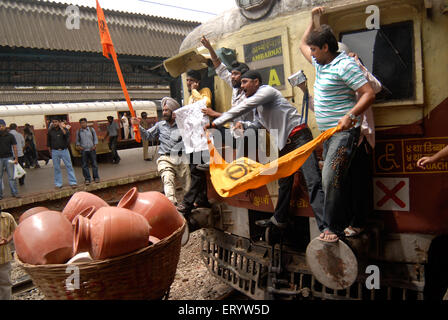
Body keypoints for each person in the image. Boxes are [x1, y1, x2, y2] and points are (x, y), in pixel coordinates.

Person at [206, 71, 325, 243]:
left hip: (300, 138)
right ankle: (280, 219)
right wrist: (244, 125)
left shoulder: (267, 92)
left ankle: (326, 228)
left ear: (256, 82)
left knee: (313, 181)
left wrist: (216, 121)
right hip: (286, 144)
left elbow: (243, 107)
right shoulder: (258, 106)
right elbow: (258, 123)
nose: (242, 86)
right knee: (285, 184)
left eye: (245, 82)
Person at [299, 6, 376, 242]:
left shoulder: (345, 65)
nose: (310, 53)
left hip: (345, 132)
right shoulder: (321, 64)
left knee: (329, 176)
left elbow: (368, 93)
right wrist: (314, 20)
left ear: (325, 48)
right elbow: (302, 43)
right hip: (328, 133)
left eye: (314, 49)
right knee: (343, 178)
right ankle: (350, 222)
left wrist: (350, 115)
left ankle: (332, 228)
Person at [200, 36, 258, 160]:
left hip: (248, 134)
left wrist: (214, 113)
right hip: (234, 132)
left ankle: (238, 163)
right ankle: (214, 160)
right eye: (232, 74)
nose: (232, 77)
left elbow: (236, 117)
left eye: (236, 74)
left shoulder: (251, 95)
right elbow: (220, 68)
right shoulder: (236, 88)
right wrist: (210, 48)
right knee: (212, 130)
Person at [131, 97, 190, 206]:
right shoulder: (160, 125)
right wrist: (137, 126)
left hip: (181, 158)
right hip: (165, 158)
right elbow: (147, 136)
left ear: (173, 112)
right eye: (163, 110)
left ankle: (189, 205)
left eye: (166, 110)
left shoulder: (182, 124)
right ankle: (172, 204)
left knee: (187, 184)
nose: (164, 112)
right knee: (167, 178)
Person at [177, 70, 213, 216]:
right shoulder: (190, 97)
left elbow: (206, 104)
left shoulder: (203, 92)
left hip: (202, 139)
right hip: (192, 140)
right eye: (187, 80)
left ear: (197, 81)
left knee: (197, 172)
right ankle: (201, 199)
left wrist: (195, 91)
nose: (188, 83)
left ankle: (187, 202)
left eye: (191, 80)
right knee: (194, 171)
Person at [47, 117, 78, 188]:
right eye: (53, 122)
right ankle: (58, 184)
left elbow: (66, 135)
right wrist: (50, 152)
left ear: (59, 122)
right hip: (55, 151)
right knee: (57, 168)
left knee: (69, 166)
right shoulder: (50, 131)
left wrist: (61, 127)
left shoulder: (64, 129)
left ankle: (73, 182)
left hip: (64, 150)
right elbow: (48, 142)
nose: (55, 123)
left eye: (56, 122)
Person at [76, 118, 100, 185]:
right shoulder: (78, 131)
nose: (83, 124)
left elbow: (95, 138)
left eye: (84, 122)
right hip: (84, 150)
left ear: (86, 123)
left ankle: (96, 177)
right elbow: (77, 141)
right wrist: (79, 147)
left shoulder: (91, 130)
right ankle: (87, 179)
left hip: (92, 149)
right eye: (81, 123)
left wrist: (95, 145)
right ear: (80, 124)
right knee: (84, 165)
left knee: (94, 164)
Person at [0, 208, 17, 300]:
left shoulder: (7, 217)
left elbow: (15, 231)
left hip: (3, 257)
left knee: (5, 284)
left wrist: (7, 240)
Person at [0, 120, 19, 199]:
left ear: (5, 126)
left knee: (11, 176)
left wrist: (16, 158)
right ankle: (0, 195)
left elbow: (14, 147)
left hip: (9, 158)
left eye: (1, 126)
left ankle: (14, 193)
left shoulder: (10, 136)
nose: (0, 127)